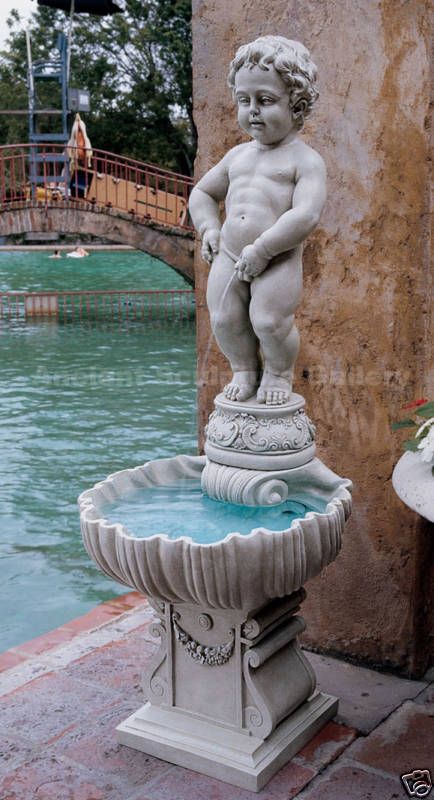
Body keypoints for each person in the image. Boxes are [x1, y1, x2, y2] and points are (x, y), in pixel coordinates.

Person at [189, 35, 327, 405]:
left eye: (265, 101)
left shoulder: (305, 160)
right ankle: (244, 369)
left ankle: (279, 374)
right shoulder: (236, 156)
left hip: (276, 257)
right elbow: (202, 194)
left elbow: (306, 214)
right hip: (230, 253)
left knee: (269, 321)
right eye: (244, 100)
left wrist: (264, 249)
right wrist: (209, 228)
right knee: (223, 318)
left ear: (297, 105)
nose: (252, 111)